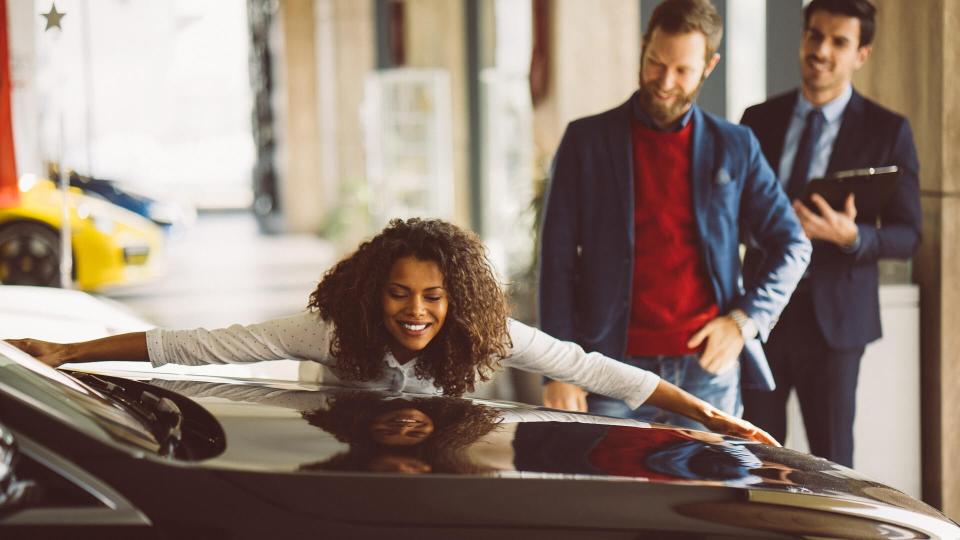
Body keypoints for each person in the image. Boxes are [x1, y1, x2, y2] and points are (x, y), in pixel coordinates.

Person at [7, 218, 775, 444]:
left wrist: (710, 414)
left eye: (434, 297)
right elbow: (192, 345)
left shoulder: (487, 333)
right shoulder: (326, 332)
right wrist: (66, 353)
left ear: (456, 301)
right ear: (375, 295)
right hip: (340, 456)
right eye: (401, 295)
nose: (416, 311)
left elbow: (597, 369)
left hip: (439, 469)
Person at [538, 0, 811, 427]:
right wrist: (558, 368)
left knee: (706, 494)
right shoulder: (584, 141)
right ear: (643, 47)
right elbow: (556, 261)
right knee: (609, 495)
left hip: (706, 372)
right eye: (655, 63)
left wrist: (743, 321)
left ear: (709, 66)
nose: (665, 82)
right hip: (608, 368)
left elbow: (792, 245)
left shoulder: (735, 145)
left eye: (682, 70)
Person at [739, 0, 921, 467]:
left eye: (838, 41)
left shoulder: (888, 130)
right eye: (813, 35)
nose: (821, 50)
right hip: (760, 314)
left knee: (833, 462)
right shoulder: (757, 120)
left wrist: (852, 236)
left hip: (835, 325)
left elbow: (909, 233)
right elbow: (728, 215)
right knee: (753, 455)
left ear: (861, 53)